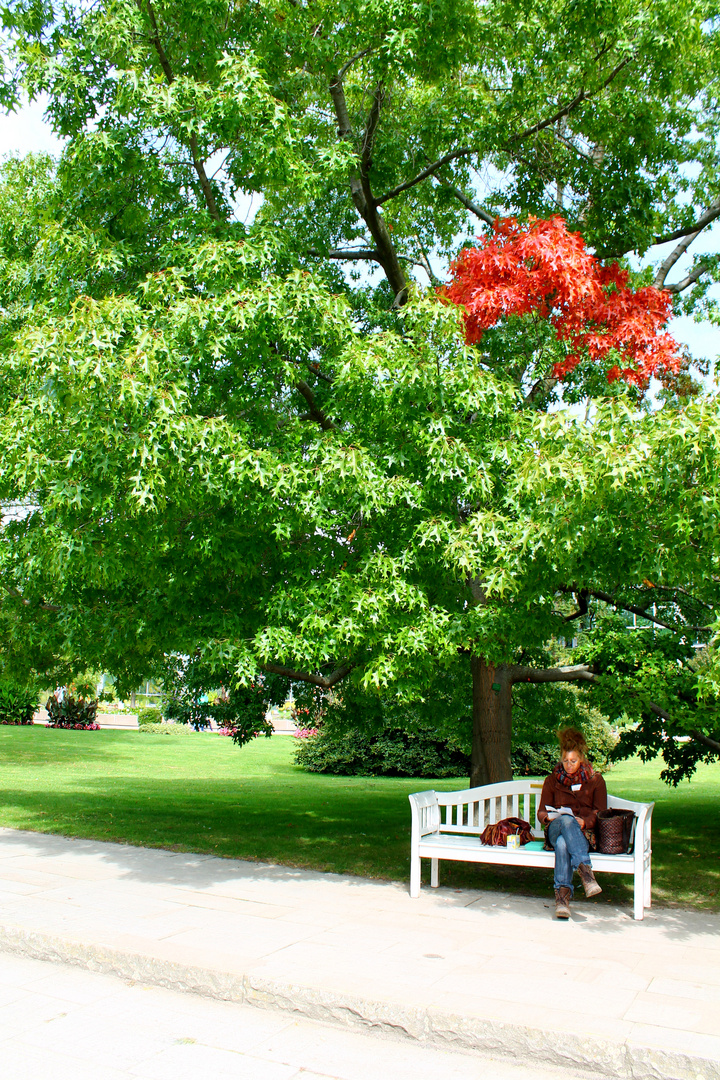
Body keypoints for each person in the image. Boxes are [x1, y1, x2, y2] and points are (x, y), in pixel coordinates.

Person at [538, 727, 607, 919]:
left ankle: (562, 900)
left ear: (582, 759)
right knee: (566, 821)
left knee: (563, 843)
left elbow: (600, 812)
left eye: (573, 761)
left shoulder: (595, 780)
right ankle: (586, 874)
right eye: (566, 761)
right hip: (555, 827)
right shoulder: (552, 780)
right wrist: (549, 817)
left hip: (582, 833)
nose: (569, 765)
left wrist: (584, 822)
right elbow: (541, 811)